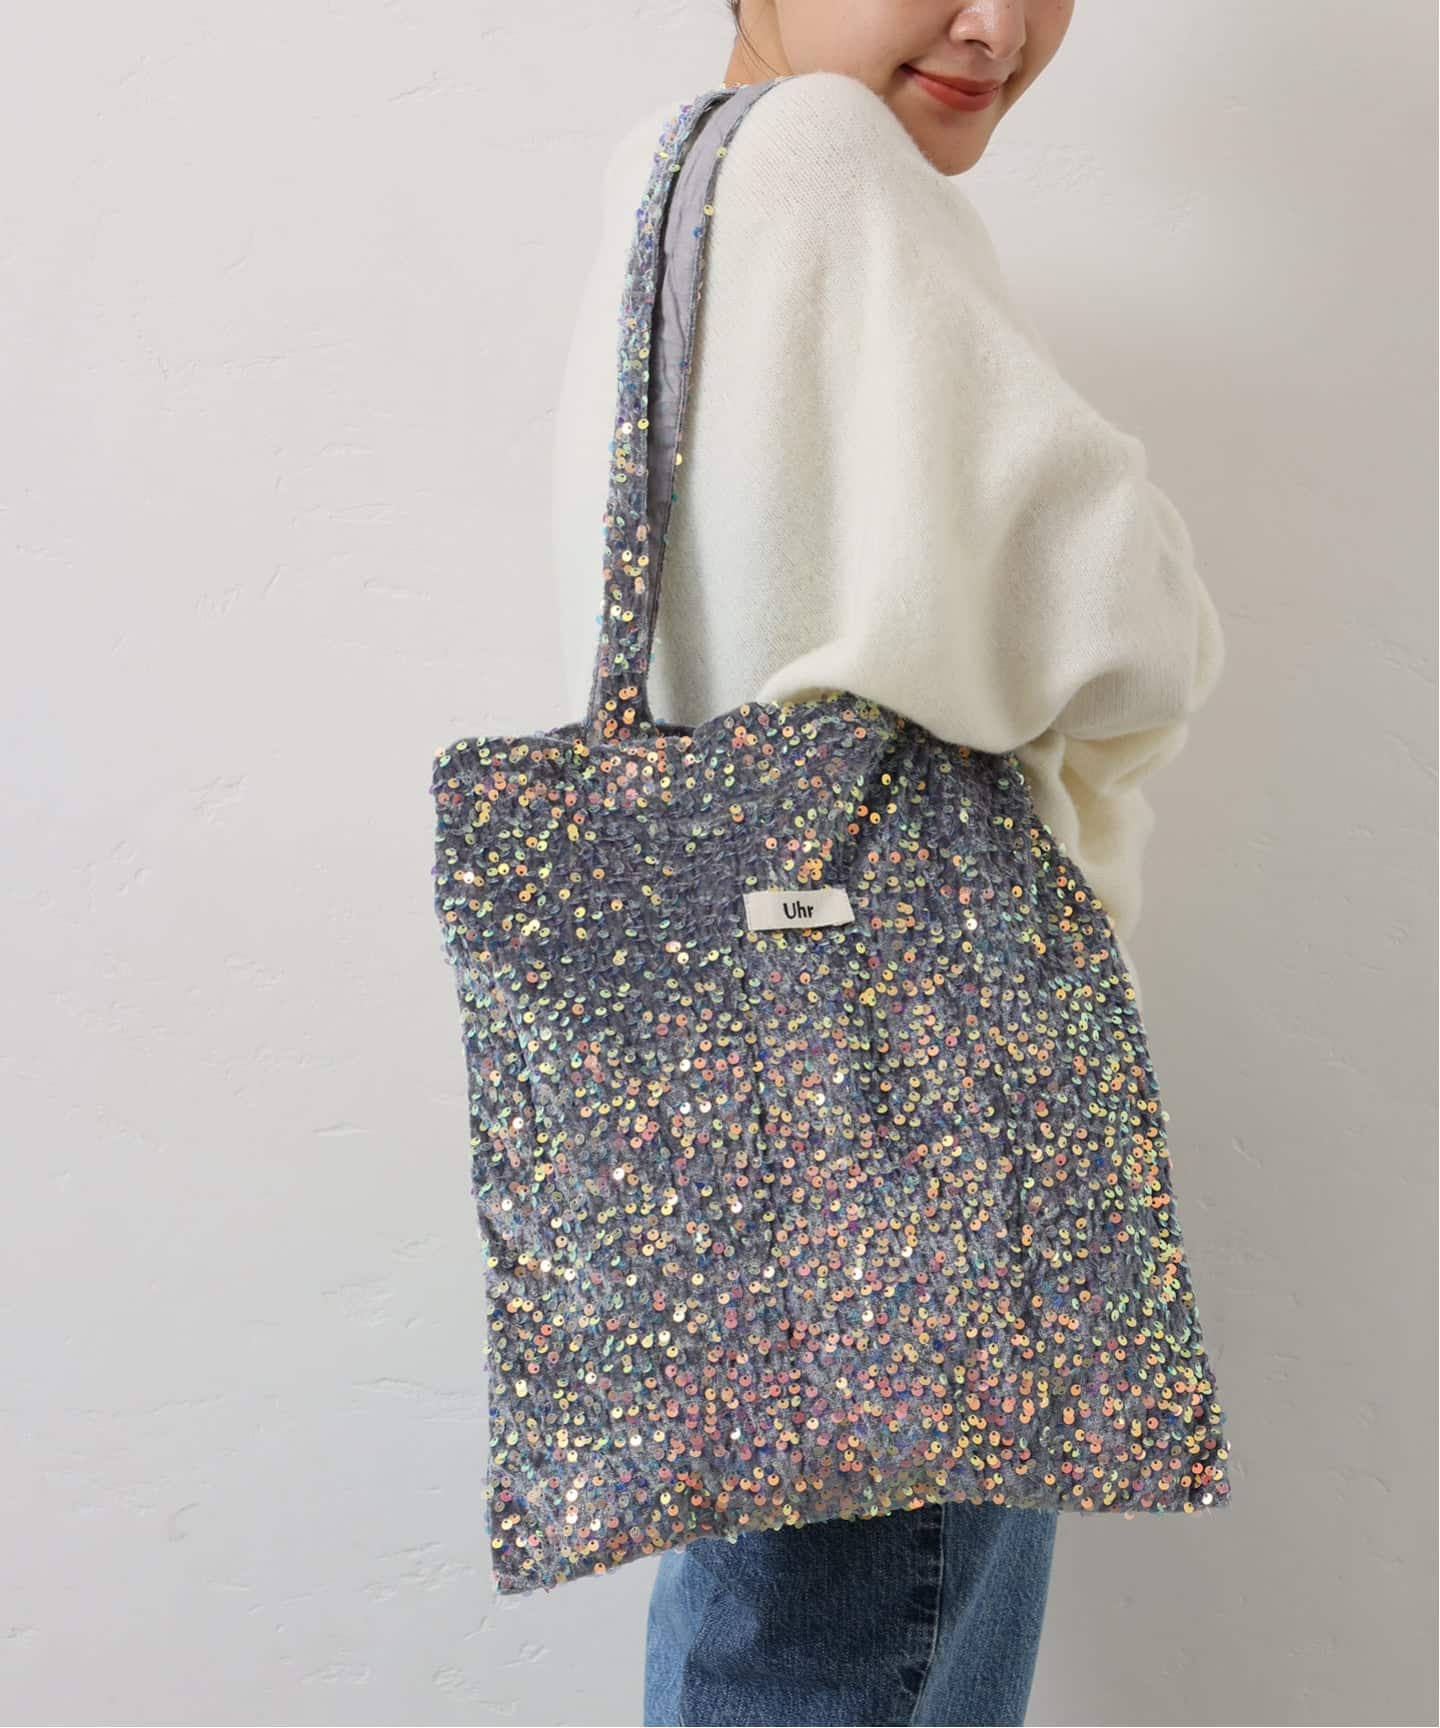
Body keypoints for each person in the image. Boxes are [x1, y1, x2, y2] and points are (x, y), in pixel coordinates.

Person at [549, 5, 1227, 1723]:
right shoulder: (829, 156)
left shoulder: (665, 166)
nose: (995, 25)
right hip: (911, 1080)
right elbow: (1126, 615)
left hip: (722, 1085)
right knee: (870, 1637)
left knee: (774, 1620)